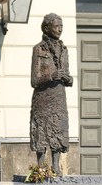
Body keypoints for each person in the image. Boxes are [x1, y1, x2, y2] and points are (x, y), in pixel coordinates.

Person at [29, 13, 73, 175]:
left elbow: (67, 76)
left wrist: (68, 78)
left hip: (59, 97)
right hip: (42, 98)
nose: (60, 29)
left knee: (58, 129)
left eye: (61, 26)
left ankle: (56, 166)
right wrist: (51, 76)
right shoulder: (39, 49)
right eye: (56, 26)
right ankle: (40, 168)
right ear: (46, 28)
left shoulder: (64, 49)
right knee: (41, 132)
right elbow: (34, 80)